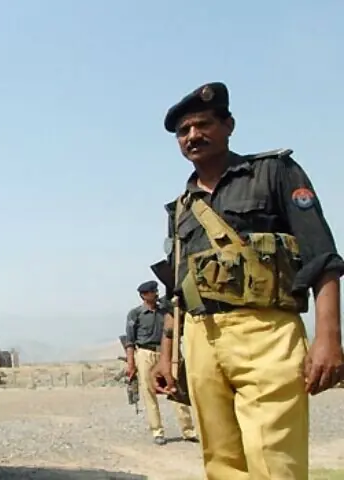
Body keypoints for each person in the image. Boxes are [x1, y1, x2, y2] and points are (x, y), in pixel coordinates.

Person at [150, 81, 344, 480]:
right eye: (183, 132)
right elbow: (178, 291)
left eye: (202, 125)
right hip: (203, 340)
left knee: (274, 461)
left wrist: (328, 338)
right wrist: (167, 354)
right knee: (221, 464)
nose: (192, 136)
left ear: (229, 125)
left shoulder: (274, 172)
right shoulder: (181, 209)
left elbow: (322, 256)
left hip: (266, 332)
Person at [124, 280, 197, 446]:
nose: (156, 294)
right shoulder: (135, 314)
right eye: (152, 292)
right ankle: (157, 431)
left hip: (168, 351)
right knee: (149, 392)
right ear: (144, 295)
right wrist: (130, 364)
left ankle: (188, 430)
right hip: (145, 352)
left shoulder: (167, 311)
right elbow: (130, 340)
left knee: (177, 389)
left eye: (157, 291)